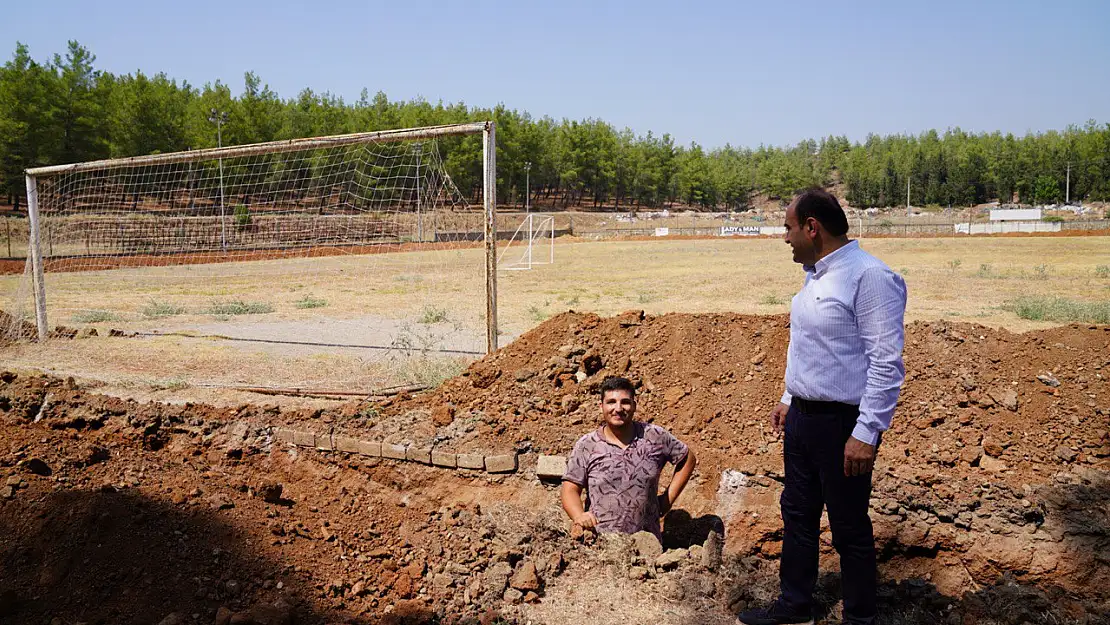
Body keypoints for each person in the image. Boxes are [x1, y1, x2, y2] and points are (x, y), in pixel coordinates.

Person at [738, 189, 907, 625]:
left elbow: (885, 363)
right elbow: (810, 344)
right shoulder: (815, 274)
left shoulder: (869, 277)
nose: (785, 238)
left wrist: (866, 432)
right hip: (801, 420)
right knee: (797, 515)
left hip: (842, 426)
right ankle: (795, 607)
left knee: (849, 527)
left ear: (812, 227)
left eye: (788, 228)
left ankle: (859, 618)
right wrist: (789, 397)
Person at [561, 376, 697, 538]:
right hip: (600, 547)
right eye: (611, 402)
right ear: (601, 406)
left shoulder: (654, 436)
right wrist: (579, 516)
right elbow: (569, 490)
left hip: (647, 547)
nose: (618, 408)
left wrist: (666, 501)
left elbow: (687, 458)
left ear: (634, 406)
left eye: (625, 402)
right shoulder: (587, 445)